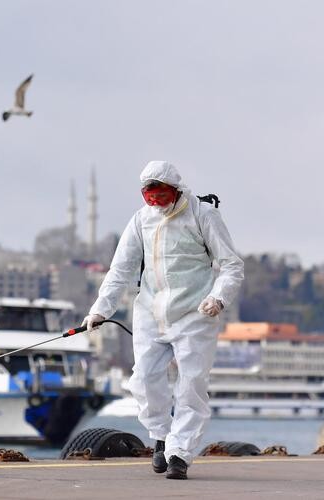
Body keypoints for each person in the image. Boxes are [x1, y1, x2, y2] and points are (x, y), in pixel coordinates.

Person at [83, 161, 244, 480]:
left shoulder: (202, 214)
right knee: (143, 379)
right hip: (150, 314)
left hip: (196, 314)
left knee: (191, 385)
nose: (155, 202)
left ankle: (179, 454)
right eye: (149, 196)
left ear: (175, 190)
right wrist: (102, 309)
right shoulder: (141, 220)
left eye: (160, 195)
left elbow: (231, 265)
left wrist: (219, 297)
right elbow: (121, 270)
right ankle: (161, 436)